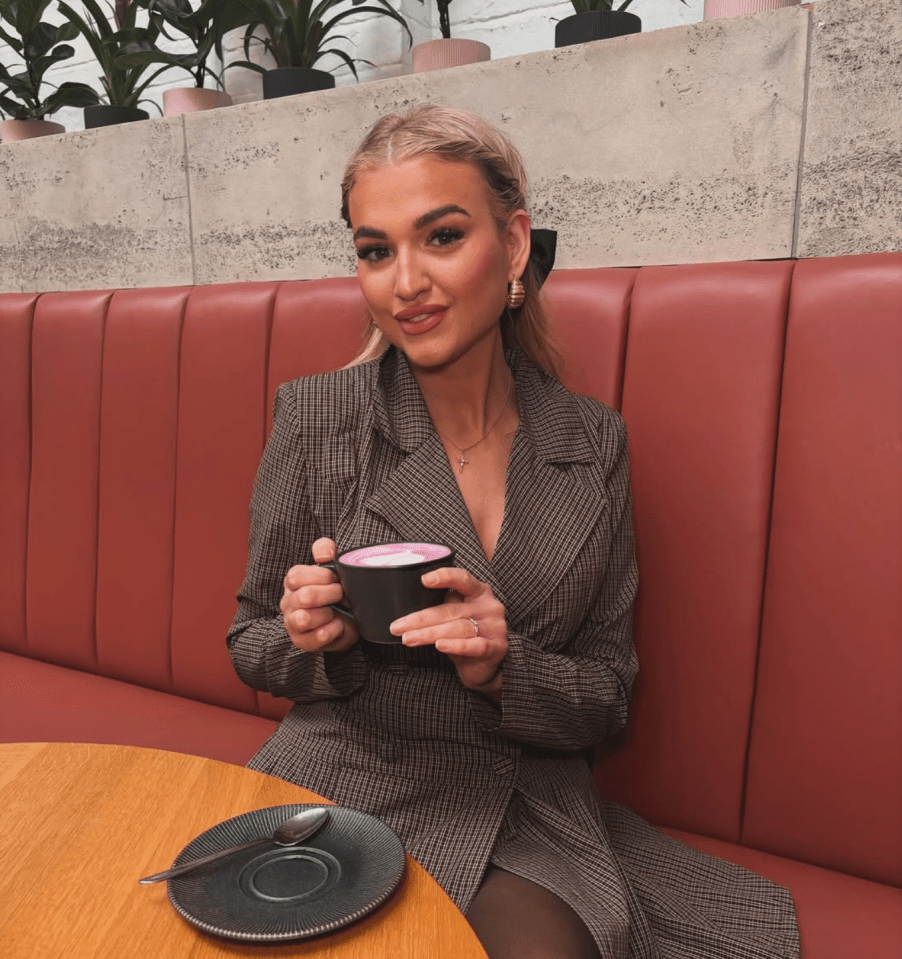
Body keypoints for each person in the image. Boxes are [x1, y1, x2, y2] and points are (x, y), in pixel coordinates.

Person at [227, 104, 799, 959]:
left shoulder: (592, 441)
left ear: (517, 245)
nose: (405, 282)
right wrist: (319, 637)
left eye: (443, 237)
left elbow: (608, 692)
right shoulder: (317, 419)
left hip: (525, 803)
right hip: (345, 780)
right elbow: (249, 641)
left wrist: (504, 669)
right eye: (375, 250)